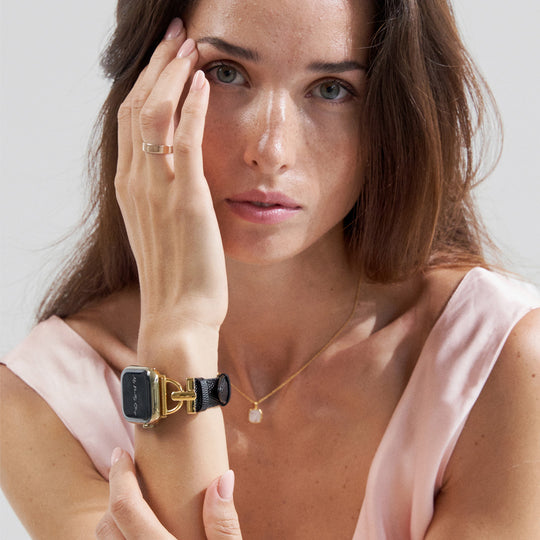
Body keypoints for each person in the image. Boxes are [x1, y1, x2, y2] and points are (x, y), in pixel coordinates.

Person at [1, 0, 539, 538]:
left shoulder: (500, 364)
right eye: (226, 73)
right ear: (147, 88)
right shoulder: (45, 400)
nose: (271, 150)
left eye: (332, 89)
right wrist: (178, 327)